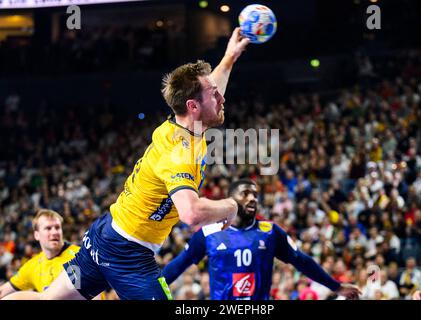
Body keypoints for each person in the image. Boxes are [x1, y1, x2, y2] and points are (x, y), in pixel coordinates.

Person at [2, 27, 249, 300]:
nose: (221, 97)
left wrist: (229, 57)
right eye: (215, 95)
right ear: (192, 106)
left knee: (49, 299)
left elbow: (209, 90)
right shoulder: (179, 151)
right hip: (128, 254)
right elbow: (190, 214)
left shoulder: (188, 123)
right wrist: (230, 206)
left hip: (105, 234)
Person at [162, 179, 361, 300]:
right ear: (231, 200)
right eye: (246, 193)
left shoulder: (271, 232)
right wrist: (147, 290)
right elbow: (178, 265)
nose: (253, 198)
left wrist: (336, 286)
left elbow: (302, 261)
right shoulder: (208, 234)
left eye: (255, 195)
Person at [0, 209, 80, 298]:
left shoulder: (78, 256)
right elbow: (3, 291)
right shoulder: (33, 265)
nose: (54, 232)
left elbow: (79, 294)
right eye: (48, 228)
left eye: (57, 227)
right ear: (36, 235)